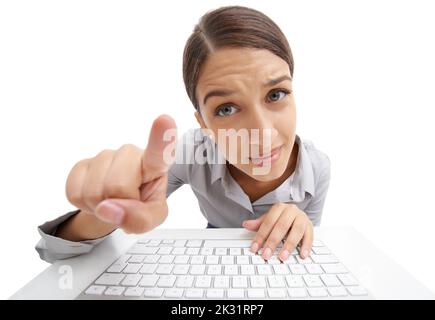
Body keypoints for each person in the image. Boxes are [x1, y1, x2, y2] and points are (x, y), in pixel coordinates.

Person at [35, 5, 331, 264]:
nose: (263, 134)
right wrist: (108, 210)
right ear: (203, 122)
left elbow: (306, 250)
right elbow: (56, 252)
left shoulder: (317, 168)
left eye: (276, 94)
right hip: (208, 265)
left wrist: (302, 227)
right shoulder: (190, 153)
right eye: (226, 109)